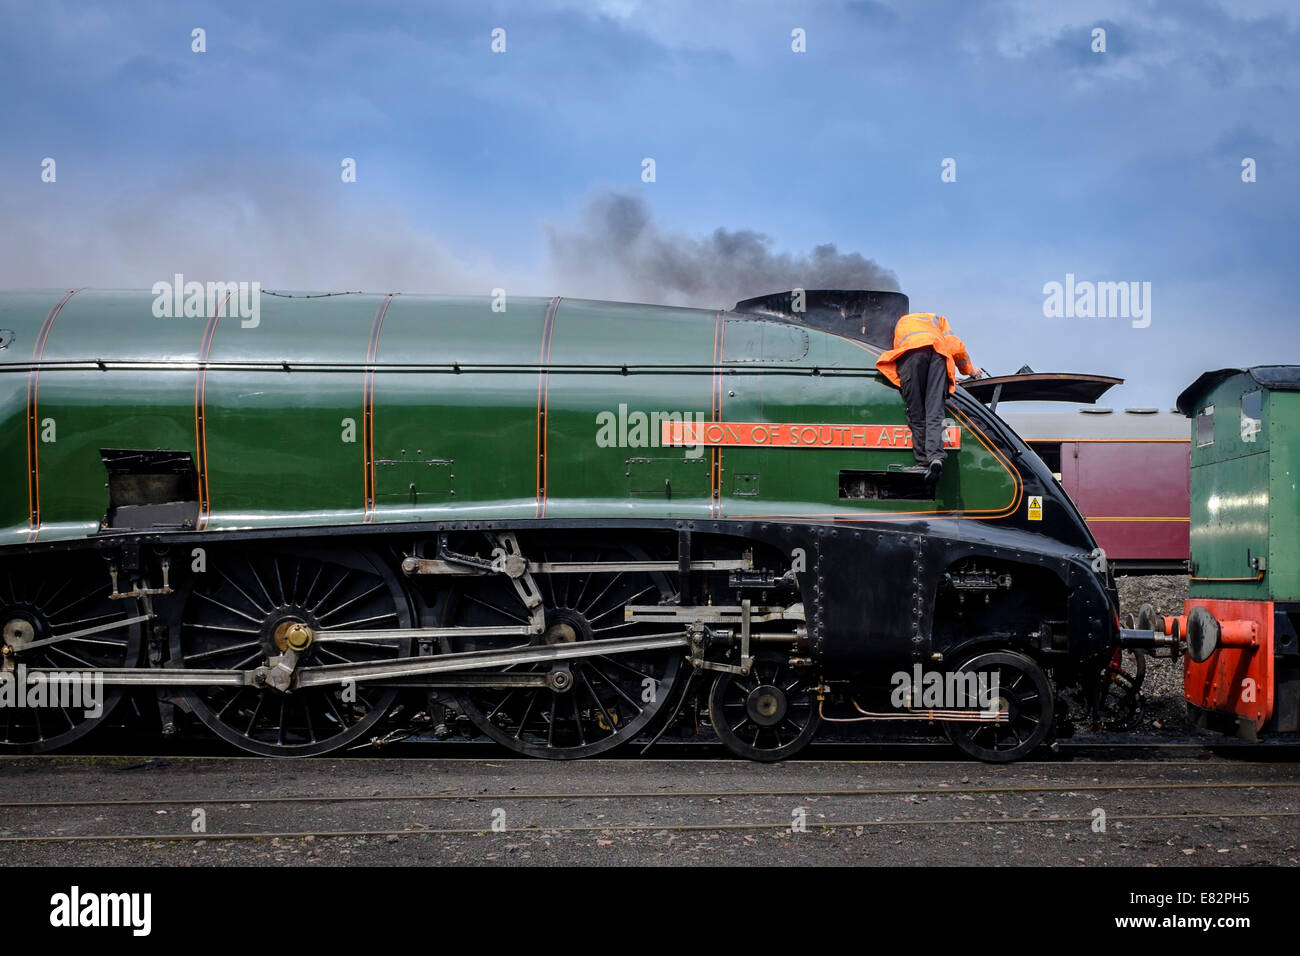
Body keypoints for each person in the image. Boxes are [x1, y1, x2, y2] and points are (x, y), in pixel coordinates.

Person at [875, 312, 983, 483]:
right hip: (938, 355)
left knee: (917, 412)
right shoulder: (936, 319)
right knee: (935, 411)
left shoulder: (900, 322)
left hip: (911, 357)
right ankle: (935, 457)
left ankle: (923, 462)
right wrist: (970, 370)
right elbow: (955, 346)